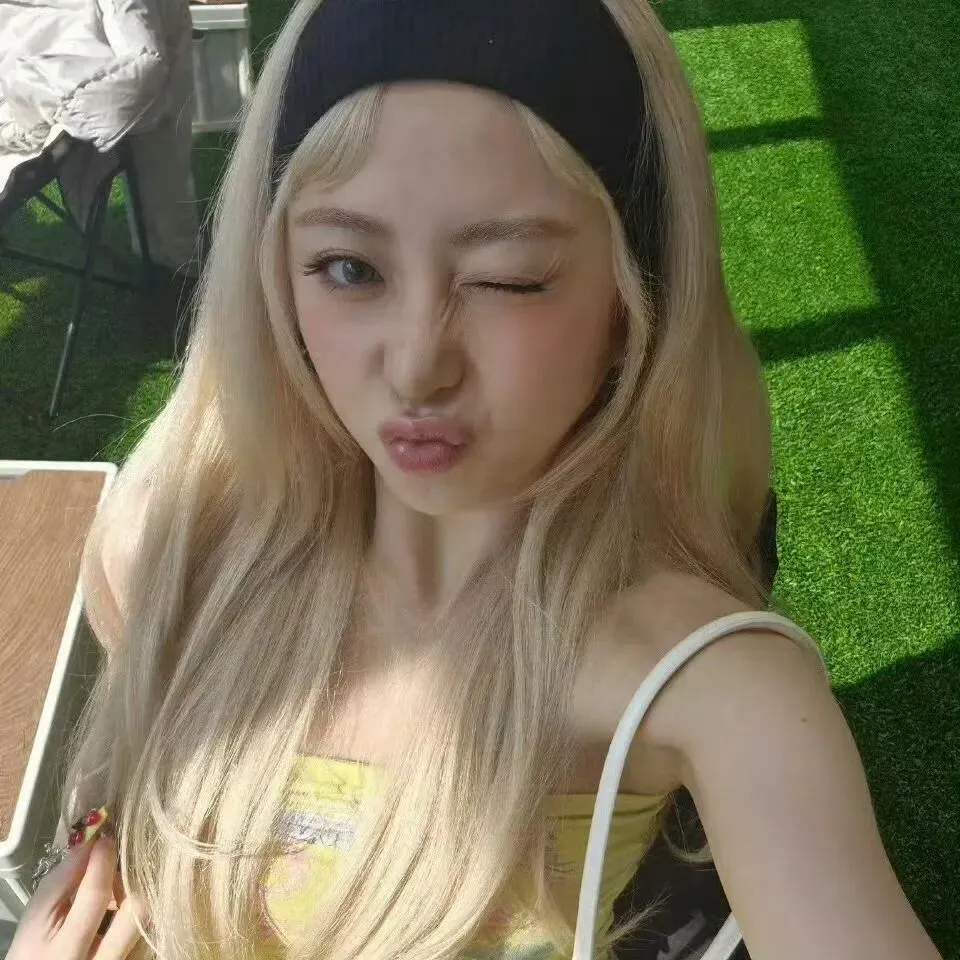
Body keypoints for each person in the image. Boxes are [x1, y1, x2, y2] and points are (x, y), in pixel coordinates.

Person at [8, 0, 943, 958]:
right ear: (271, 271)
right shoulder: (166, 554)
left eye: (509, 278)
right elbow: (118, 819)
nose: (419, 366)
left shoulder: (715, 690)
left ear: (637, 297)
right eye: (348, 268)